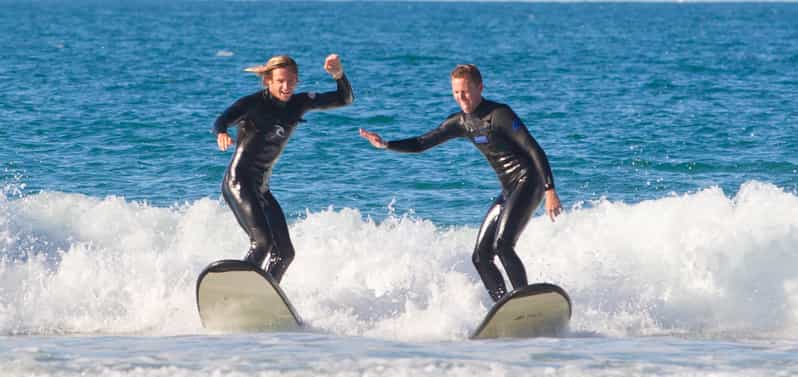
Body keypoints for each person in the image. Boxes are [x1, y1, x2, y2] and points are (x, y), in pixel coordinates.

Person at [359, 64, 563, 302]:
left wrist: (550, 190)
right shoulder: (460, 122)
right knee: (480, 256)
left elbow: (533, 148)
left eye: (465, 91)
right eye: (456, 93)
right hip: (509, 188)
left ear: (480, 88)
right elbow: (422, 143)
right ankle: (503, 306)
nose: (461, 98)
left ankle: (525, 301)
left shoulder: (500, 114)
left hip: (530, 181)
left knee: (503, 245)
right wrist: (387, 144)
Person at [214, 54, 353, 283]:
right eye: (280, 81)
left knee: (285, 253)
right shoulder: (253, 103)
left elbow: (344, 99)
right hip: (239, 182)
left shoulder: (299, 104)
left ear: (297, 81)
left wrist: (338, 75)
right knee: (262, 243)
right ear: (268, 80)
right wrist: (221, 133)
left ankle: (265, 296)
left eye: (291, 81)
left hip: (261, 189)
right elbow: (222, 119)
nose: (286, 87)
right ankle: (239, 289)